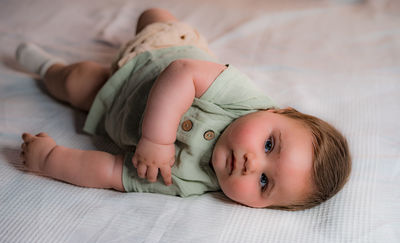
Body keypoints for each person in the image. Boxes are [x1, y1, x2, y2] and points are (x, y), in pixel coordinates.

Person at [16, 8, 351, 211]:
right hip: (164, 48)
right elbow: (182, 72)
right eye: (268, 145)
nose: (252, 164)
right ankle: (157, 19)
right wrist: (157, 142)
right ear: (277, 112)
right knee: (153, 17)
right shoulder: (247, 101)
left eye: (264, 182)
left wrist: (49, 160)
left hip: (112, 96)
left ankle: (45, 66)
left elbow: (113, 173)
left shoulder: (188, 180)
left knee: (74, 82)